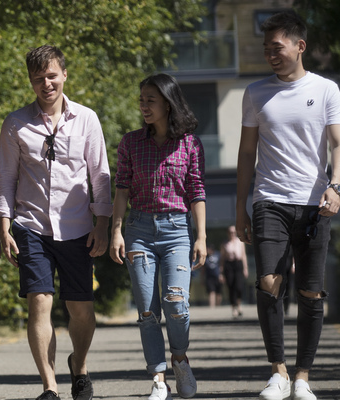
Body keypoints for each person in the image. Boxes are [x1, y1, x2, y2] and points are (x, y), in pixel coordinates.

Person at [234, 10, 340, 400]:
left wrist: (335, 186)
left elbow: (339, 144)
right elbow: (246, 152)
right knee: (269, 282)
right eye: (266, 49)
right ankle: (278, 372)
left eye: (277, 47)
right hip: (270, 200)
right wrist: (240, 206)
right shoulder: (255, 93)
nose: (270, 55)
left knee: (311, 292)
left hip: (315, 204)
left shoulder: (327, 90)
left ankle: (302, 377)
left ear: (300, 46)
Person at [0, 45, 112, 400]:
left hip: (78, 228)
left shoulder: (87, 119)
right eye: (38, 78)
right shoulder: (16, 123)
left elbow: (100, 175)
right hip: (31, 226)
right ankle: (49, 386)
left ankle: (79, 366)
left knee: (81, 310)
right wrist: (4, 225)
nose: (46, 84)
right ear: (30, 81)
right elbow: (5, 178)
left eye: (51, 76)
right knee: (39, 302)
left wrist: (103, 224)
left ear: (64, 74)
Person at [107, 73, 209, 399]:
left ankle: (179, 359)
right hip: (139, 230)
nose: (144, 106)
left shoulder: (190, 144)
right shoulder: (130, 142)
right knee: (148, 311)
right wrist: (116, 231)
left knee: (176, 302)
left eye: (150, 100)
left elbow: (196, 191)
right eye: (142, 100)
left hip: (177, 230)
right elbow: (121, 189)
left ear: (168, 103)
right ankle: (158, 378)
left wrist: (202, 236)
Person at [222, 226, 249, 318]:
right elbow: (222, 258)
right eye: (230, 232)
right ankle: (234, 308)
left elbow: (243, 255)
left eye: (234, 232)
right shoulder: (225, 243)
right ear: (228, 233)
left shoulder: (240, 242)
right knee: (231, 287)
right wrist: (221, 271)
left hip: (238, 265)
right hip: (229, 265)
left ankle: (239, 305)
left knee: (239, 286)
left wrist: (245, 268)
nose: (232, 234)